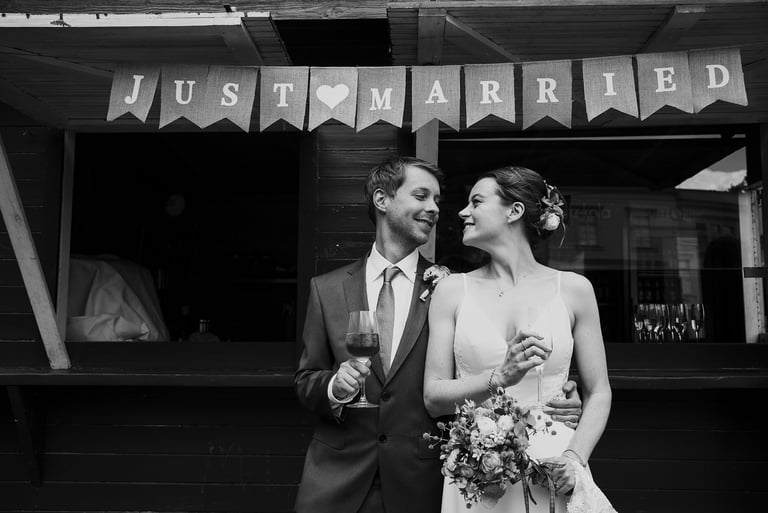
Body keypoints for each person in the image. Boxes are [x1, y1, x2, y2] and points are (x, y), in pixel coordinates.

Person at [294, 157, 582, 513]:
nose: (434, 209)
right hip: (336, 481)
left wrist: (562, 391)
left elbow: (485, 356)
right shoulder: (327, 289)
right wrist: (334, 389)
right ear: (382, 200)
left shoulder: (452, 287)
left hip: (422, 484)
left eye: (437, 200)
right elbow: (306, 379)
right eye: (421, 196)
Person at [423, 166, 613, 513]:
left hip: (554, 468)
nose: (463, 212)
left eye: (476, 202)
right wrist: (500, 378)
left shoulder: (573, 289)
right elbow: (434, 397)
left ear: (514, 211)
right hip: (477, 473)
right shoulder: (451, 291)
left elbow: (599, 391)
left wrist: (574, 457)